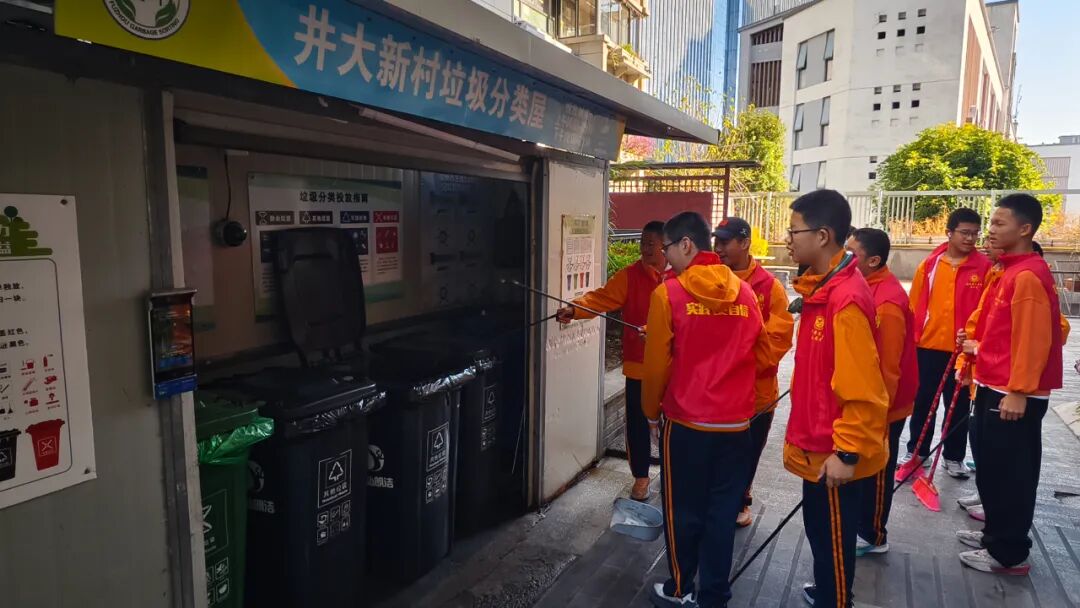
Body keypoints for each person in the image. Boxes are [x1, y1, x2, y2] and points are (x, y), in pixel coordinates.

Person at [642, 211, 771, 608]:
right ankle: (714, 595)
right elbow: (764, 356)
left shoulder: (669, 294)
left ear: (685, 245)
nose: (664, 257)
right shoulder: (745, 293)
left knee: (683, 510)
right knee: (721, 513)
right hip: (736, 427)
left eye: (667, 248)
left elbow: (656, 366)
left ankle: (681, 589)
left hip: (686, 423)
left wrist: (651, 413)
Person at [783, 190, 890, 608]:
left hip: (834, 451)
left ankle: (835, 599)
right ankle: (828, 591)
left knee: (833, 541)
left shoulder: (845, 300)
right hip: (817, 445)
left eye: (794, 231)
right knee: (820, 531)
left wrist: (846, 452)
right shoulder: (823, 290)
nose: (787, 239)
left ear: (823, 235)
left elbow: (863, 387)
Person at [954, 194, 1064, 575]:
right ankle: (995, 536)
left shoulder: (1028, 276)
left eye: (1000, 223)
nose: (991, 230)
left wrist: (1019, 390)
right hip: (994, 384)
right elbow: (1002, 332)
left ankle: (1009, 553)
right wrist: (975, 351)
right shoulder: (1008, 271)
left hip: (1012, 393)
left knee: (1011, 474)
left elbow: (1033, 341)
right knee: (991, 468)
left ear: (1025, 229)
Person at [557, 221, 666, 501]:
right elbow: (602, 298)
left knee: (672, 427)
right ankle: (641, 478)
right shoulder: (630, 276)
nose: (645, 248)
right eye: (642, 242)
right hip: (638, 366)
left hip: (672, 368)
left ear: (666, 246)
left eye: (651, 243)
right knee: (637, 425)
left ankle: (672, 476)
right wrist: (575, 310)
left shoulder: (679, 277)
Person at [713, 217, 794, 528]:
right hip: (716, 392)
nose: (718, 248)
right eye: (716, 241)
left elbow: (778, 341)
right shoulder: (709, 280)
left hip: (755, 396)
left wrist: (734, 365)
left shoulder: (769, 287)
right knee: (719, 454)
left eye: (725, 242)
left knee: (747, 454)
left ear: (745, 243)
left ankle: (740, 500)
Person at [844, 228, 918, 558]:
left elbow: (889, 367)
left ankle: (872, 533)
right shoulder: (865, 285)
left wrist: (877, 413)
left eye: (852, 253)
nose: (845, 257)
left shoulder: (886, 301)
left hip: (885, 404)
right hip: (871, 400)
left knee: (877, 469)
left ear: (872, 261)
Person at [904, 208, 991, 478]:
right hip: (928, 346)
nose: (970, 238)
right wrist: (911, 340)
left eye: (975, 233)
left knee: (959, 405)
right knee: (923, 402)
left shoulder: (985, 267)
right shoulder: (930, 265)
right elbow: (914, 305)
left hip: (963, 351)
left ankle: (954, 457)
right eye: (964, 233)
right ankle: (917, 452)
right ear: (949, 233)